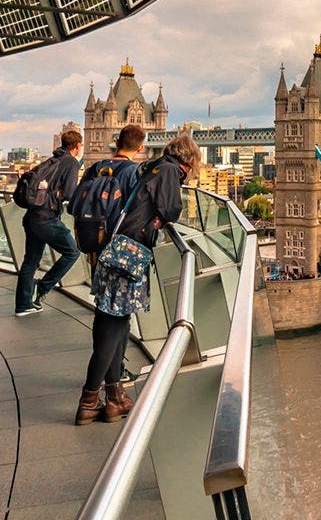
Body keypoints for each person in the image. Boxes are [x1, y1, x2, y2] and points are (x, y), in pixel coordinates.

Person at [74, 133, 200, 426]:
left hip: (112, 249)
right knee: (112, 326)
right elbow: (170, 210)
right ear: (190, 159)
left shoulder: (151, 167)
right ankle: (89, 400)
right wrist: (158, 220)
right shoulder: (169, 171)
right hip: (127, 254)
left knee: (114, 325)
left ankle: (115, 398)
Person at [15, 129, 82, 317]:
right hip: (47, 218)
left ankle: (23, 305)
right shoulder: (71, 162)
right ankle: (42, 287)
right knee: (72, 252)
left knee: (30, 261)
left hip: (32, 216)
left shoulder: (50, 160)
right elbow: (69, 193)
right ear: (77, 146)